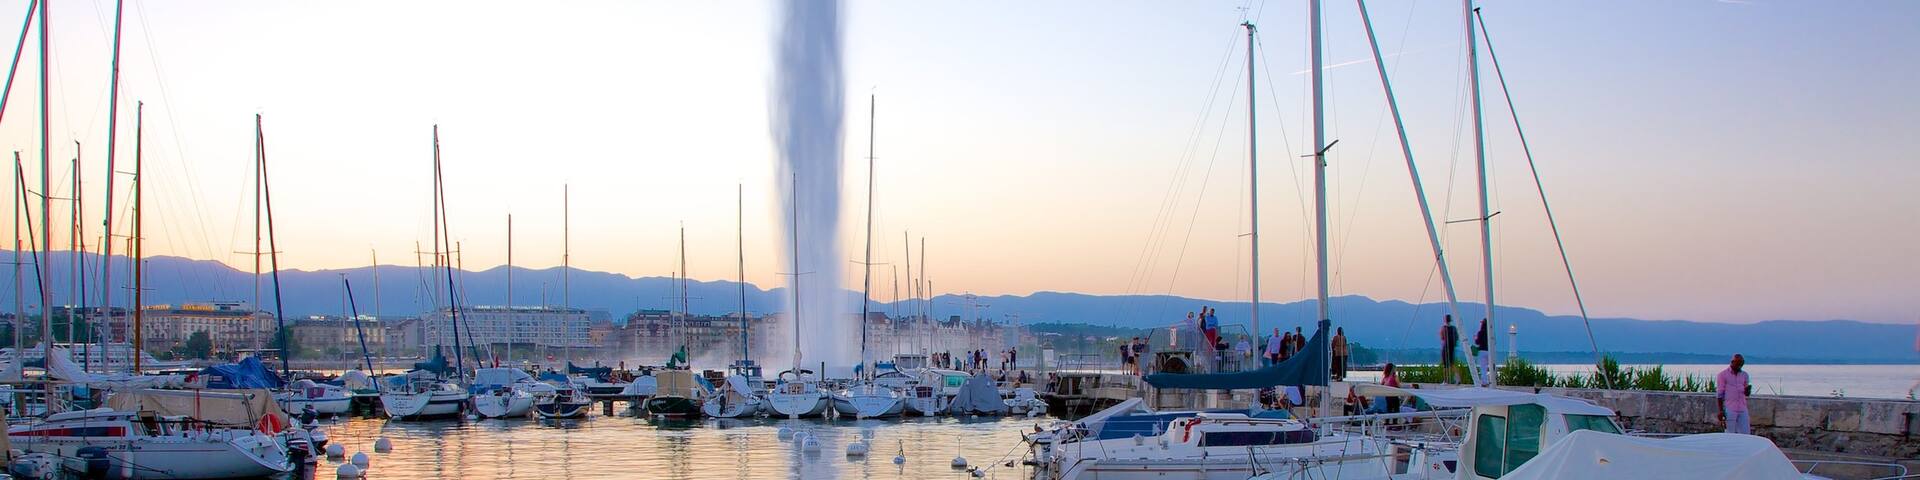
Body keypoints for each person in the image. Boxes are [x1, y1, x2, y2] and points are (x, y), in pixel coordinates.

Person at [1716, 354, 1753, 434]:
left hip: (1742, 408)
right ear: (1732, 362)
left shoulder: (1744, 375)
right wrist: (1720, 411)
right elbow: (1720, 394)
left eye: (1741, 364)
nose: (1739, 366)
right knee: (1730, 433)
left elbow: (1746, 394)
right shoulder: (1723, 375)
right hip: (1730, 409)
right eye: (1738, 363)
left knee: (1746, 433)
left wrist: (1747, 390)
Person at [1439, 315, 1460, 384]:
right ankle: (1457, 378)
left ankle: (1446, 380)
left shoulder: (1443, 328)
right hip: (1452, 347)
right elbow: (1457, 337)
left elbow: (1442, 337)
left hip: (1445, 347)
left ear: (1445, 320)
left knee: (1445, 365)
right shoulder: (1454, 328)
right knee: (1452, 363)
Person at [1474, 319, 1492, 387]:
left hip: (1482, 351)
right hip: (1489, 351)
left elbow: (1477, 342)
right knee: (1491, 367)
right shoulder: (1490, 332)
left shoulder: (1480, 332)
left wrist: (1475, 338)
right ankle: (1492, 380)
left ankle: (1484, 382)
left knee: (1483, 368)